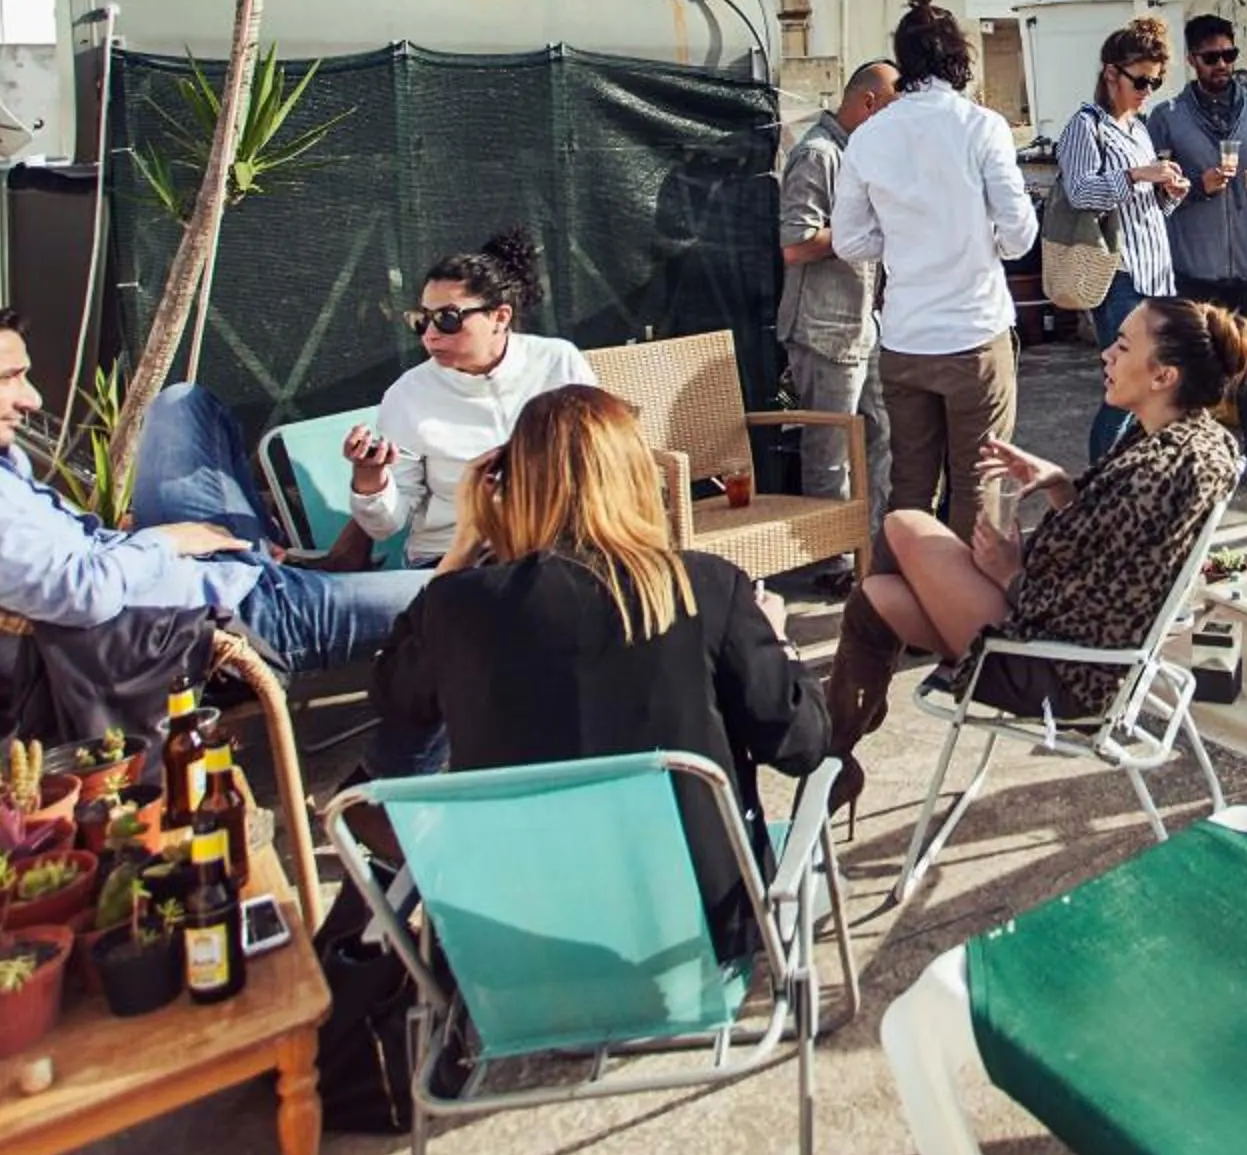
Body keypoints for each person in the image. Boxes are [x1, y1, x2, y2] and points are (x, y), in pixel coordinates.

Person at [0, 299, 438, 772]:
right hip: (218, 621)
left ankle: (276, 558)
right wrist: (168, 542)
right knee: (467, 597)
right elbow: (81, 594)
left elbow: (70, 559)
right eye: (9, 379)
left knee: (183, 405)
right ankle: (387, 790)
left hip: (195, 574)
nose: (32, 399)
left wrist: (162, 542)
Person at [372, 386, 829, 960]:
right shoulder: (704, 587)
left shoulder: (460, 607)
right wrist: (776, 636)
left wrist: (459, 551)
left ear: (516, 485)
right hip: (692, 937)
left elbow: (395, 692)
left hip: (520, 943)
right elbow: (803, 742)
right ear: (637, 477)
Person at [819, 295, 1247, 812]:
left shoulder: (1153, 474)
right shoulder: (1192, 443)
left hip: (1059, 673)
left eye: (1122, 345)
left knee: (903, 525)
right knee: (877, 595)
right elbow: (1117, 557)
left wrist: (1009, 572)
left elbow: (1072, 599)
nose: (1106, 356)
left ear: (1163, 377)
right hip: (1069, 652)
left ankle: (827, 751)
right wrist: (1059, 485)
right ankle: (832, 757)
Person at [833, 0, 1038, 532]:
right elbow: (1019, 234)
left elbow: (849, 242)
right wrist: (976, 238)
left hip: (904, 339)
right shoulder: (982, 126)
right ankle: (969, 613)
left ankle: (899, 605)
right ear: (959, 60)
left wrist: (905, 239)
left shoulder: (869, 136)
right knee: (980, 490)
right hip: (974, 334)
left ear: (903, 63)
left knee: (910, 490)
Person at [342, 227, 596, 569]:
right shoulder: (409, 394)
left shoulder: (557, 362)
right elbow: (385, 526)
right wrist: (370, 479)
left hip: (552, 545)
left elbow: (601, 456)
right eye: (422, 320)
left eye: (448, 319)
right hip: (449, 558)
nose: (430, 335)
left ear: (500, 317)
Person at [1149, 13, 1247, 492]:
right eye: (1212, 58)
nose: (1223, 65)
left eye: (1229, 55)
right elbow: (1155, 197)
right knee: (1197, 366)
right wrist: (1198, 189)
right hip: (1195, 262)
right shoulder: (1167, 118)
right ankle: (1196, 461)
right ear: (1192, 60)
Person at [778, 60, 900, 535]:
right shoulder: (818, 155)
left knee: (882, 436)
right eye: (890, 110)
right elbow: (795, 244)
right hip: (824, 329)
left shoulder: (858, 154)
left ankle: (872, 544)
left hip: (862, 323)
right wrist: (862, 229)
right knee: (830, 450)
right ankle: (834, 556)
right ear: (868, 102)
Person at [1059, 14, 1185, 464]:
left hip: (1155, 271)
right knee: (1125, 389)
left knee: (1153, 387)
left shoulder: (1138, 126)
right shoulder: (1085, 125)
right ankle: (1101, 485)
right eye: (1141, 81)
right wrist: (1137, 173)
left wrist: (1168, 193)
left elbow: (1142, 206)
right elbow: (1079, 192)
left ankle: (1129, 477)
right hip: (1118, 274)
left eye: (1155, 82)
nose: (1148, 91)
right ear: (1111, 73)